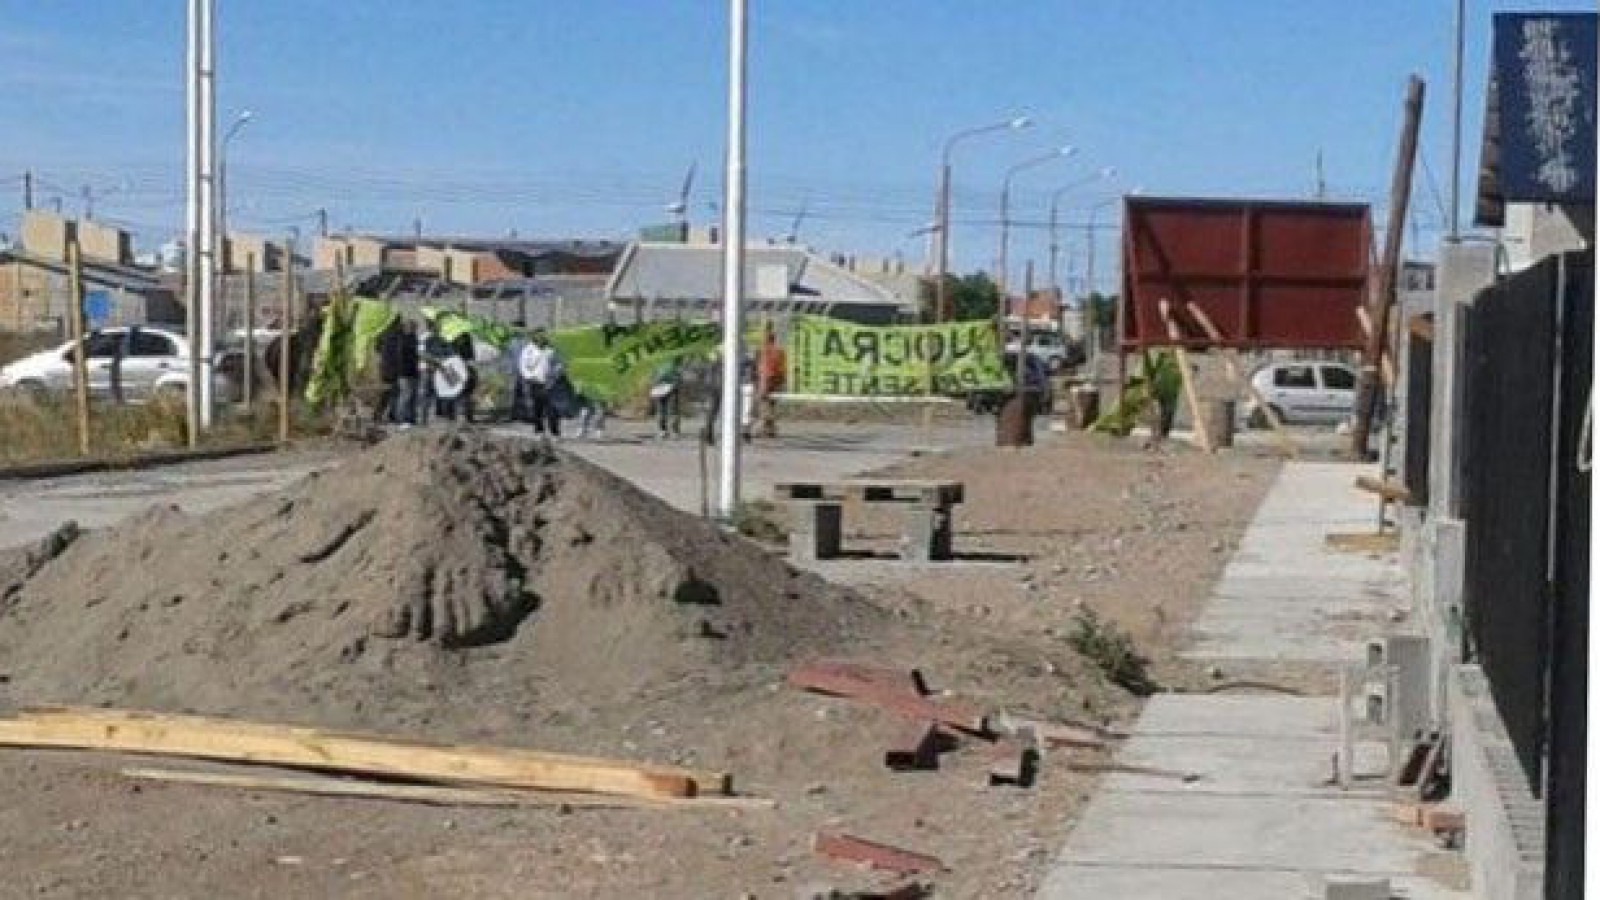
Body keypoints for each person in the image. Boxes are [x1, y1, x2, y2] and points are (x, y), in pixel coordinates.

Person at [518, 328, 563, 438]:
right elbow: (523, 366)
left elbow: (559, 363)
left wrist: (554, 376)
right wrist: (530, 377)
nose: (541, 338)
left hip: (551, 384)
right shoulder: (528, 350)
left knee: (553, 409)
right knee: (537, 408)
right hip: (535, 383)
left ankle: (555, 433)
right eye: (539, 336)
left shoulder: (552, 349)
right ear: (534, 337)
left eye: (543, 335)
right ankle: (539, 431)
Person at [755, 322, 786, 438]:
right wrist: (781, 380)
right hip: (776, 380)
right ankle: (770, 428)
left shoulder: (764, 351)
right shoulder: (779, 351)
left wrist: (762, 382)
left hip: (767, 379)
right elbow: (782, 368)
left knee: (764, 404)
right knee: (771, 404)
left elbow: (763, 368)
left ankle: (767, 428)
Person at [374, 318, 405, 426]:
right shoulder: (398, 336)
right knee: (391, 392)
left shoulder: (383, 333)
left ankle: (382, 415)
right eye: (400, 323)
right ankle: (386, 415)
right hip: (392, 368)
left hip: (385, 367)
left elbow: (376, 348)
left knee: (389, 392)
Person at [649, 357, 683, 439]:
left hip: (671, 385)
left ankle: (673, 431)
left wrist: (677, 381)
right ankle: (663, 431)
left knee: (672, 410)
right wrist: (653, 383)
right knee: (661, 409)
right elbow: (653, 373)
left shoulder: (675, 357)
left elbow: (679, 370)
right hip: (659, 386)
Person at [395, 319, 420, 425]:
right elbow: (408, 355)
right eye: (412, 327)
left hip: (413, 371)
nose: (414, 329)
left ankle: (411, 418)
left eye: (415, 327)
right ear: (406, 328)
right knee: (406, 395)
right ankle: (401, 418)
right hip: (404, 372)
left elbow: (416, 355)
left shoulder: (414, 338)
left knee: (413, 396)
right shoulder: (403, 339)